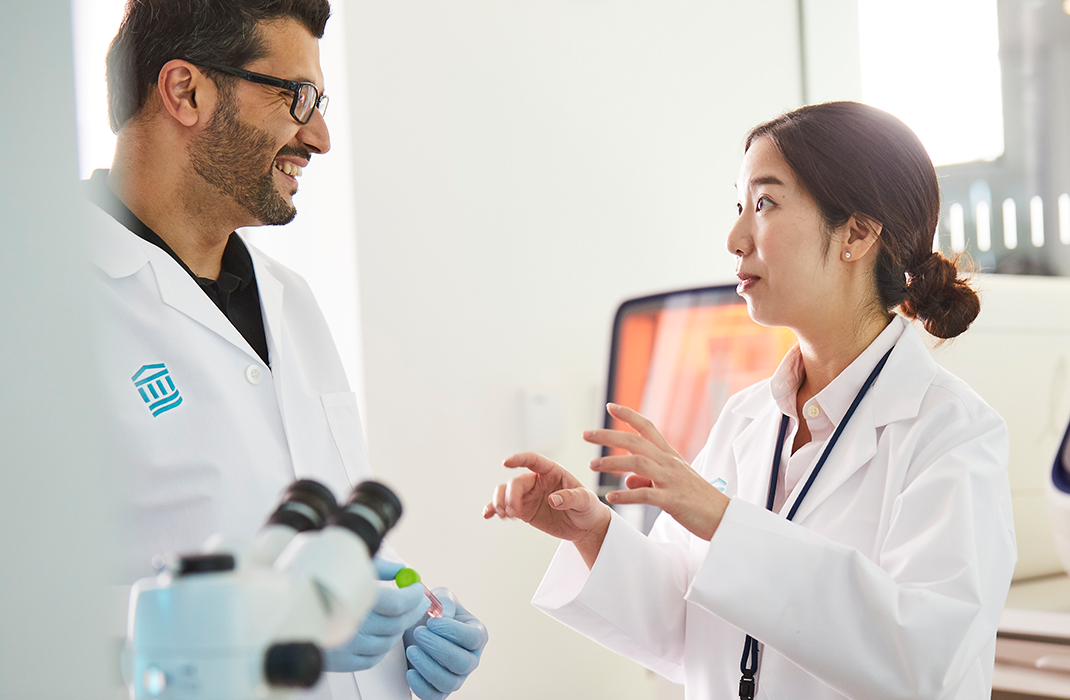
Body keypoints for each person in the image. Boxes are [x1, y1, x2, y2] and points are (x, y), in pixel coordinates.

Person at [484, 101, 1016, 699]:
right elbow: (682, 628)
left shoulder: (951, 431)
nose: (735, 238)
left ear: (858, 233)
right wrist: (592, 532)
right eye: (739, 206)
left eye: (764, 204)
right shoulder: (747, 419)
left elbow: (924, 660)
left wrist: (721, 518)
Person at [86, 2, 487, 699]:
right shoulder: (40, 308)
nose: (321, 136)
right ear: (186, 91)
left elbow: (317, 540)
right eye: (297, 97)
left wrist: (406, 609)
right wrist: (249, 624)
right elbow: (25, 615)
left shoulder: (289, 300)